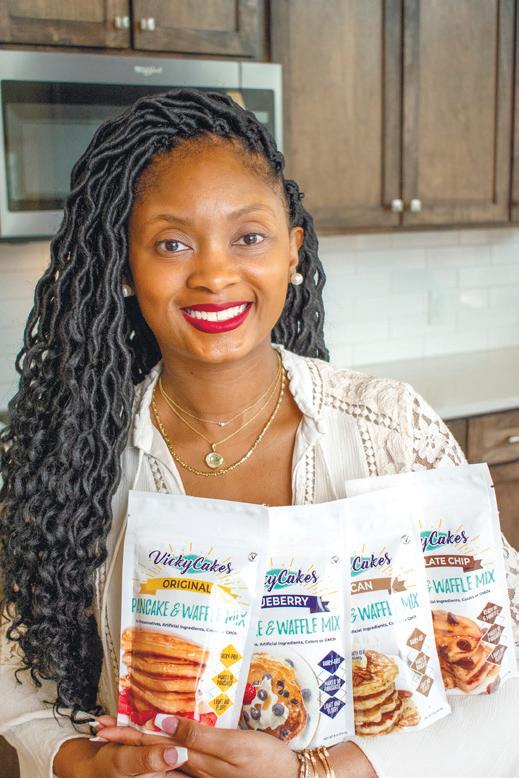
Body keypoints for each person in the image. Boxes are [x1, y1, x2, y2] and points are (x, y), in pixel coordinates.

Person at [0, 88, 517, 778]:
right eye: (172, 243)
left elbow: (504, 668)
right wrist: (83, 764)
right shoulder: (71, 454)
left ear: (291, 251)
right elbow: (14, 666)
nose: (215, 275)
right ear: (124, 265)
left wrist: (322, 772)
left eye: (248, 237)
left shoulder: (388, 427)